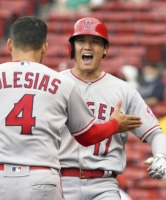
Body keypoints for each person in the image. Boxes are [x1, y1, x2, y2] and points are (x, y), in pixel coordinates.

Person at [0, 16, 142, 200]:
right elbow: (87, 136)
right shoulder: (62, 83)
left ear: (10, 44)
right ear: (45, 47)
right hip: (41, 178)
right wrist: (115, 124)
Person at [59, 17, 166, 200]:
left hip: (104, 185)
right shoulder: (55, 84)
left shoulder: (123, 90)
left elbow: (154, 132)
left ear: (105, 49)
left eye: (95, 42)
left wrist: (161, 155)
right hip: (61, 181)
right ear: (72, 48)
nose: (88, 47)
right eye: (81, 41)